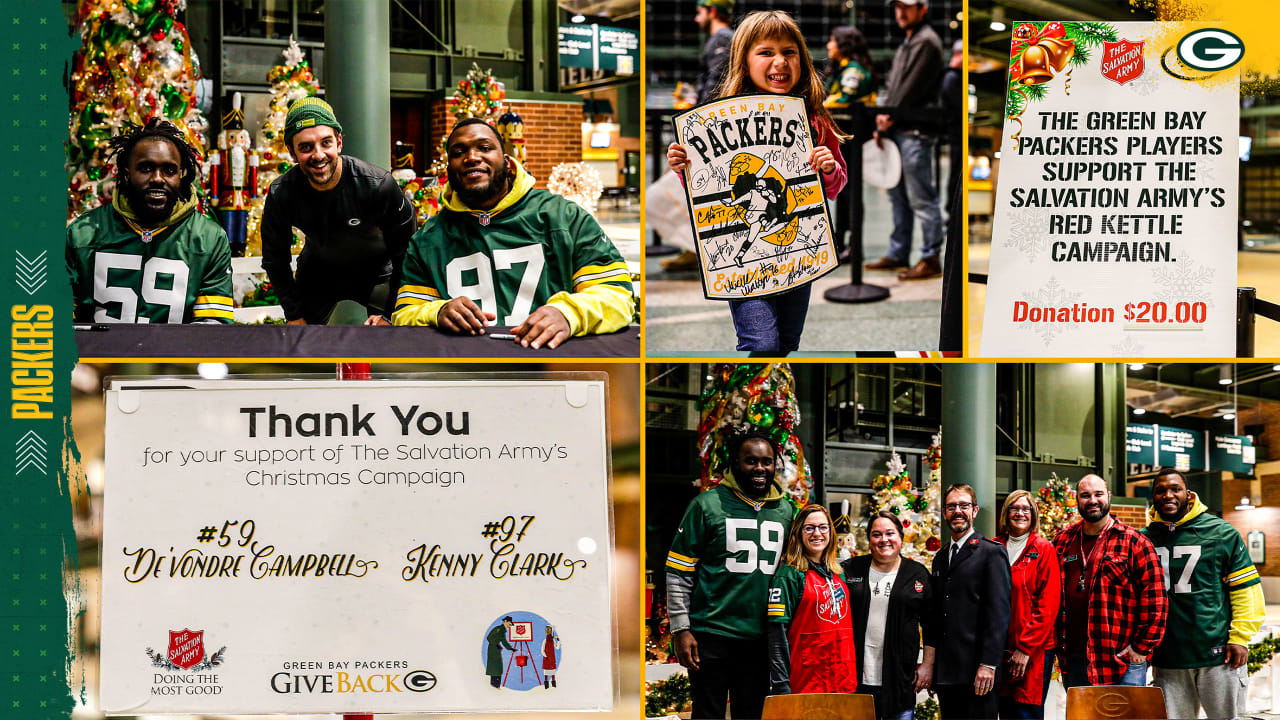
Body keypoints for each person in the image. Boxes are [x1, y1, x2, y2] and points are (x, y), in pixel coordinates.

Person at [667, 11, 848, 354]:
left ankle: (763, 400)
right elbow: (703, 186)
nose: (779, 61)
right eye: (766, 52)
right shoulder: (717, 117)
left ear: (803, 59)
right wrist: (681, 165)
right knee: (761, 342)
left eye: (789, 52)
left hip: (798, 253)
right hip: (743, 264)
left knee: (785, 344)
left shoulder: (816, 119)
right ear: (744, 61)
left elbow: (836, 186)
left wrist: (827, 169)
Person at [393, 119, 634, 349]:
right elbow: (404, 314)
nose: (472, 157)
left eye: (484, 148)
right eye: (458, 152)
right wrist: (436, 312)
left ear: (507, 162)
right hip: (468, 372)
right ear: (449, 168)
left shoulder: (563, 217)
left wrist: (568, 313)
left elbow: (617, 295)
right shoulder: (427, 239)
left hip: (553, 367)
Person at [664, 430, 796, 719]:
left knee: (750, 715)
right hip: (711, 634)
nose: (760, 468)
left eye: (767, 461)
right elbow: (678, 572)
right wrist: (680, 629)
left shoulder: (786, 510)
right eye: (751, 461)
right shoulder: (707, 505)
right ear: (734, 463)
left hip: (762, 639)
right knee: (707, 714)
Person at [260, 97, 416, 325]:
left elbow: (407, 252)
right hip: (318, 275)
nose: (318, 155)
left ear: (339, 142)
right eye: (305, 147)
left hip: (377, 277)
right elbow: (275, 259)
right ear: (292, 153)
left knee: (387, 350)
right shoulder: (281, 193)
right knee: (303, 351)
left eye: (326, 143)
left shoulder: (378, 184)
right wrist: (294, 314)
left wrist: (389, 311)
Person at [67, 118, 233, 324]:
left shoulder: (209, 238)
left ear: (182, 175)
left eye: (169, 170)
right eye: (145, 168)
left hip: (177, 356)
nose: (157, 178)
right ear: (126, 174)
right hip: (99, 356)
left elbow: (212, 331)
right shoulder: (83, 233)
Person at [1142, 468, 1264, 719]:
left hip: (1218, 654)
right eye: (1160, 490)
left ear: (1188, 494)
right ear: (1152, 497)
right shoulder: (1144, 539)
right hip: (1168, 657)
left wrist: (1240, 637)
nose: (1168, 495)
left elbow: (1245, 590)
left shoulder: (1221, 532)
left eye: (1175, 489)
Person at [1053, 474, 1167, 688]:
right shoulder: (1062, 541)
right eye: (1085, 495)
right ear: (1077, 500)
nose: (1092, 500)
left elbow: (1156, 601)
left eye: (1098, 494)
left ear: (1109, 496)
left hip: (1121, 662)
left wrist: (1141, 648)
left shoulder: (1134, 541)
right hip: (1074, 661)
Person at [866, 0, 945, 281]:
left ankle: (930, 257)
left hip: (914, 131)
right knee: (897, 197)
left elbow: (909, 87)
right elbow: (893, 84)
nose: (901, 12)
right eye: (898, 6)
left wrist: (887, 115)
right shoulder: (908, 42)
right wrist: (883, 118)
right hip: (899, 129)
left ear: (923, 8)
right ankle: (899, 253)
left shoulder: (926, 41)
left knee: (922, 198)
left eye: (907, 7)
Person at [924, 484, 1011, 720]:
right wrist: (931, 666)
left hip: (977, 671)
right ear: (944, 513)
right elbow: (936, 616)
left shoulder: (991, 553)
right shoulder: (941, 558)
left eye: (963, 505)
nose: (957, 511)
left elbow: (999, 614)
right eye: (951, 507)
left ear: (974, 511)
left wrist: (988, 664)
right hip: (947, 673)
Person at [844, 511, 933, 720]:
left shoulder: (917, 574)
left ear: (900, 537)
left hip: (900, 678)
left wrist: (928, 665)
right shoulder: (851, 569)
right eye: (876, 534)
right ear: (869, 540)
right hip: (855, 678)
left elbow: (932, 624)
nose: (884, 540)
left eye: (890, 533)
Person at [766, 504, 857, 695]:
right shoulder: (789, 575)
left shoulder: (838, 574)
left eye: (823, 527)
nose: (817, 533)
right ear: (799, 533)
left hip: (842, 680)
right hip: (805, 682)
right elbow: (776, 635)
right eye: (809, 528)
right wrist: (781, 684)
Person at [993, 490, 1060, 720]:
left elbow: (1048, 605)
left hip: (1033, 651)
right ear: (1006, 513)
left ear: (1033, 514)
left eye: (1026, 509)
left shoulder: (1043, 549)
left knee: (1025, 713)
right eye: (1015, 508)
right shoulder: (994, 547)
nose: (1020, 513)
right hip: (998, 649)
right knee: (1003, 710)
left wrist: (1025, 649)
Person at [824, 26, 876, 264]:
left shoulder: (853, 70)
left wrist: (820, 103)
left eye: (832, 41)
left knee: (851, 193)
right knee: (844, 194)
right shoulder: (844, 68)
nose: (828, 45)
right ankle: (841, 241)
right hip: (843, 137)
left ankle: (853, 246)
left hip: (852, 138)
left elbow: (843, 99)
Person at [694, 0, 735, 105]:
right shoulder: (724, 37)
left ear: (712, 11)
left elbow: (716, 83)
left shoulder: (722, 39)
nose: (696, 19)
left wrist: (700, 111)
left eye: (700, 13)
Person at [485, 616, 515, 688]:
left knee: (498, 668)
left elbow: (504, 642)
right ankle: (494, 686)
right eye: (509, 624)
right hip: (493, 649)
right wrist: (496, 644)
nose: (509, 626)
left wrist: (511, 648)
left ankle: (496, 685)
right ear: (505, 621)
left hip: (496, 650)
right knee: (495, 668)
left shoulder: (502, 631)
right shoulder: (498, 629)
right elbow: (489, 637)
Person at [541, 624, 561, 689]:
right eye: (547, 630)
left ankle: (553, 685)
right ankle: (546, 686)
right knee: (546, 672)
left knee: (552, 672)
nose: (548, 631)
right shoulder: (545, 640)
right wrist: (546, 656)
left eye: (549, 630)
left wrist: (558, 641)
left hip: (552, 658)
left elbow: (557, 647)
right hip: (547, 659)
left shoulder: (553, 640)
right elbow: (542, 650)